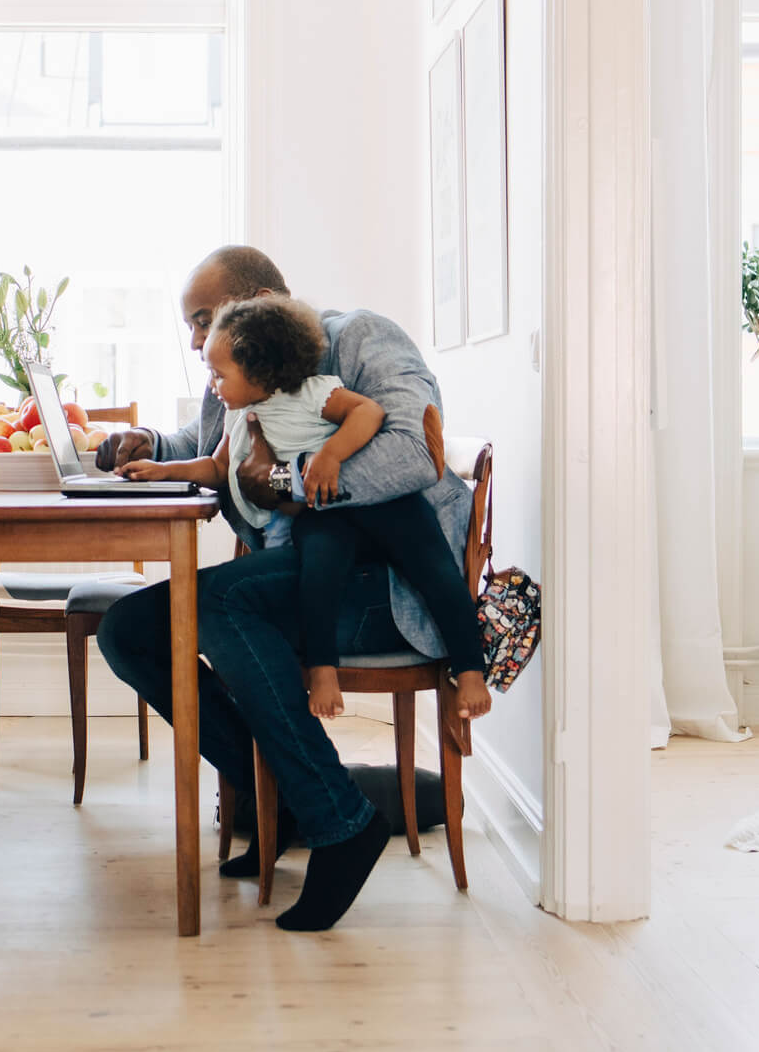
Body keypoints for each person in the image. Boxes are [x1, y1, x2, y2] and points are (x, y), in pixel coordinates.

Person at [92, 247, 480, 931]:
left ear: (261, 304)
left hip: (379, 588)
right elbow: (213, 439)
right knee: (128, 629)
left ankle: (336, 820)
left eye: (203, 320)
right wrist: (145, 440)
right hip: (306, 571)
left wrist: (281, 482)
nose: (192, 341)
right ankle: (291, 799)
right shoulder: (243, 370)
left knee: (217, 603)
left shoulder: (360, 338)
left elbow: (413, 446)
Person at [120, 295, 492, 723]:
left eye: (218, 374)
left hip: (383, 506)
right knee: (318, 571)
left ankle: (469, 668)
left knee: (433, 564)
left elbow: (368, 412)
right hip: (322, 513)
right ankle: (323, 669)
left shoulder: (311, 392)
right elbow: (218, 466)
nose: (211, 386)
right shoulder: (239, 415)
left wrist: (330, 455)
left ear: (258, 369)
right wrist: (162, 470)